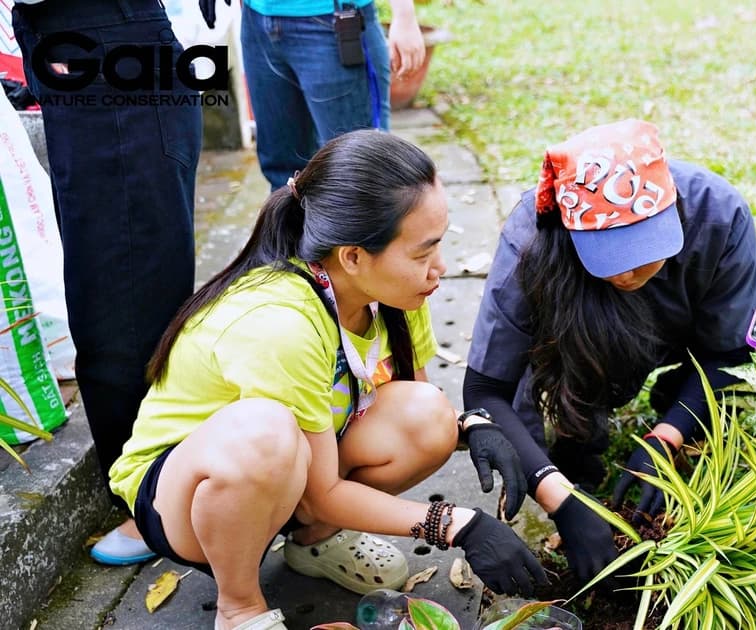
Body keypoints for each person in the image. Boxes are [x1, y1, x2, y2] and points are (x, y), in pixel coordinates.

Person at [108, 130, 544, 630]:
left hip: (295, 469)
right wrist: (455, 524)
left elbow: (412, 400)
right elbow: (319, 492)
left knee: (429, 417)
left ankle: (314, 543)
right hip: (187, 498)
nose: (438, 269)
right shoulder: (281, 321)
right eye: (422, 254)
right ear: (353, 256)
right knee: (265, 432)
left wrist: (474, 427)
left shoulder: (392, 294)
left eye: (438, 247)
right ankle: (240, 605)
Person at [463, 119, 756, 583]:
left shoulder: (717, 212)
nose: (629, 272)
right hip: (585, 340)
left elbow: (729, 349)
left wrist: (667, 435)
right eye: (610, 254)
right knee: (563, 441)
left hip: (685, 328)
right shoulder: (533, 237)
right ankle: (582, 425)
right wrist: (557, 495)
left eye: (645, 247)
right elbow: (487, 389)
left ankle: (676, 397)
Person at [11, 0, 202, 565]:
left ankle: (153, 509)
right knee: (130, 284)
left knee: (120, 297)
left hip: (102, 47)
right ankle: (164, 488)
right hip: (96, 46)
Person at [236, 0, 425, 189]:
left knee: (360, 175)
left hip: (335, 20)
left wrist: (404, 14)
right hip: (257, 19)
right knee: (284, 180)